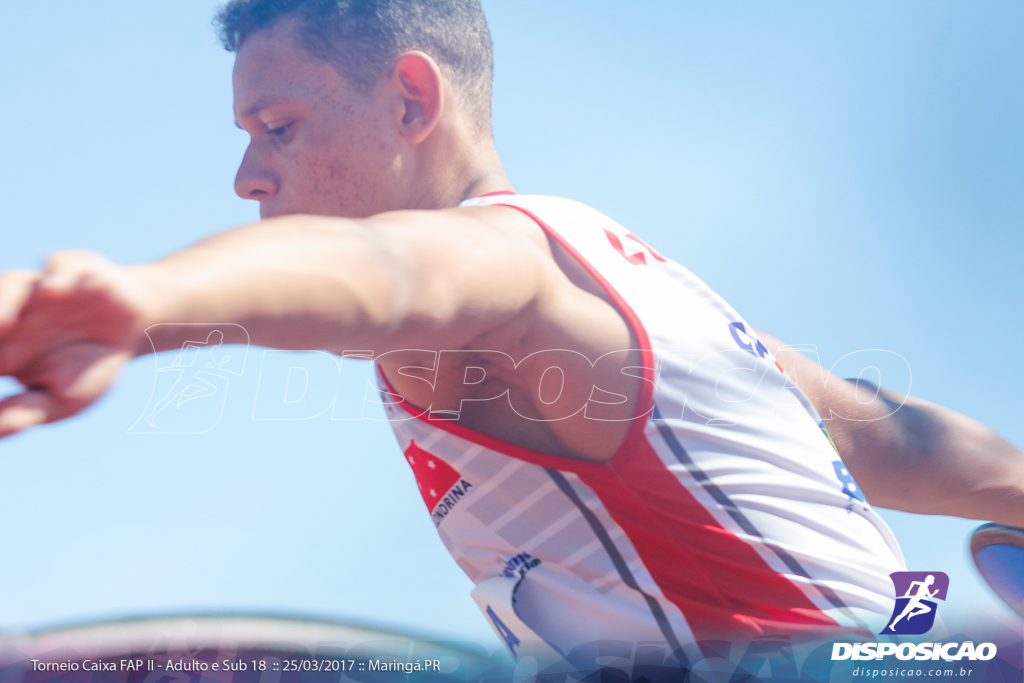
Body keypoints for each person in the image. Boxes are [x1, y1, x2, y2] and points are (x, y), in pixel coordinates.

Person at [0, 0, 1020, 662]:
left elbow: (390, 271)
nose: (248, 177)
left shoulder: (505, 263)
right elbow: (872, 431)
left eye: (279, 127)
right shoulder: (633, 271)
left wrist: (146, 301)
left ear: (409, 99)